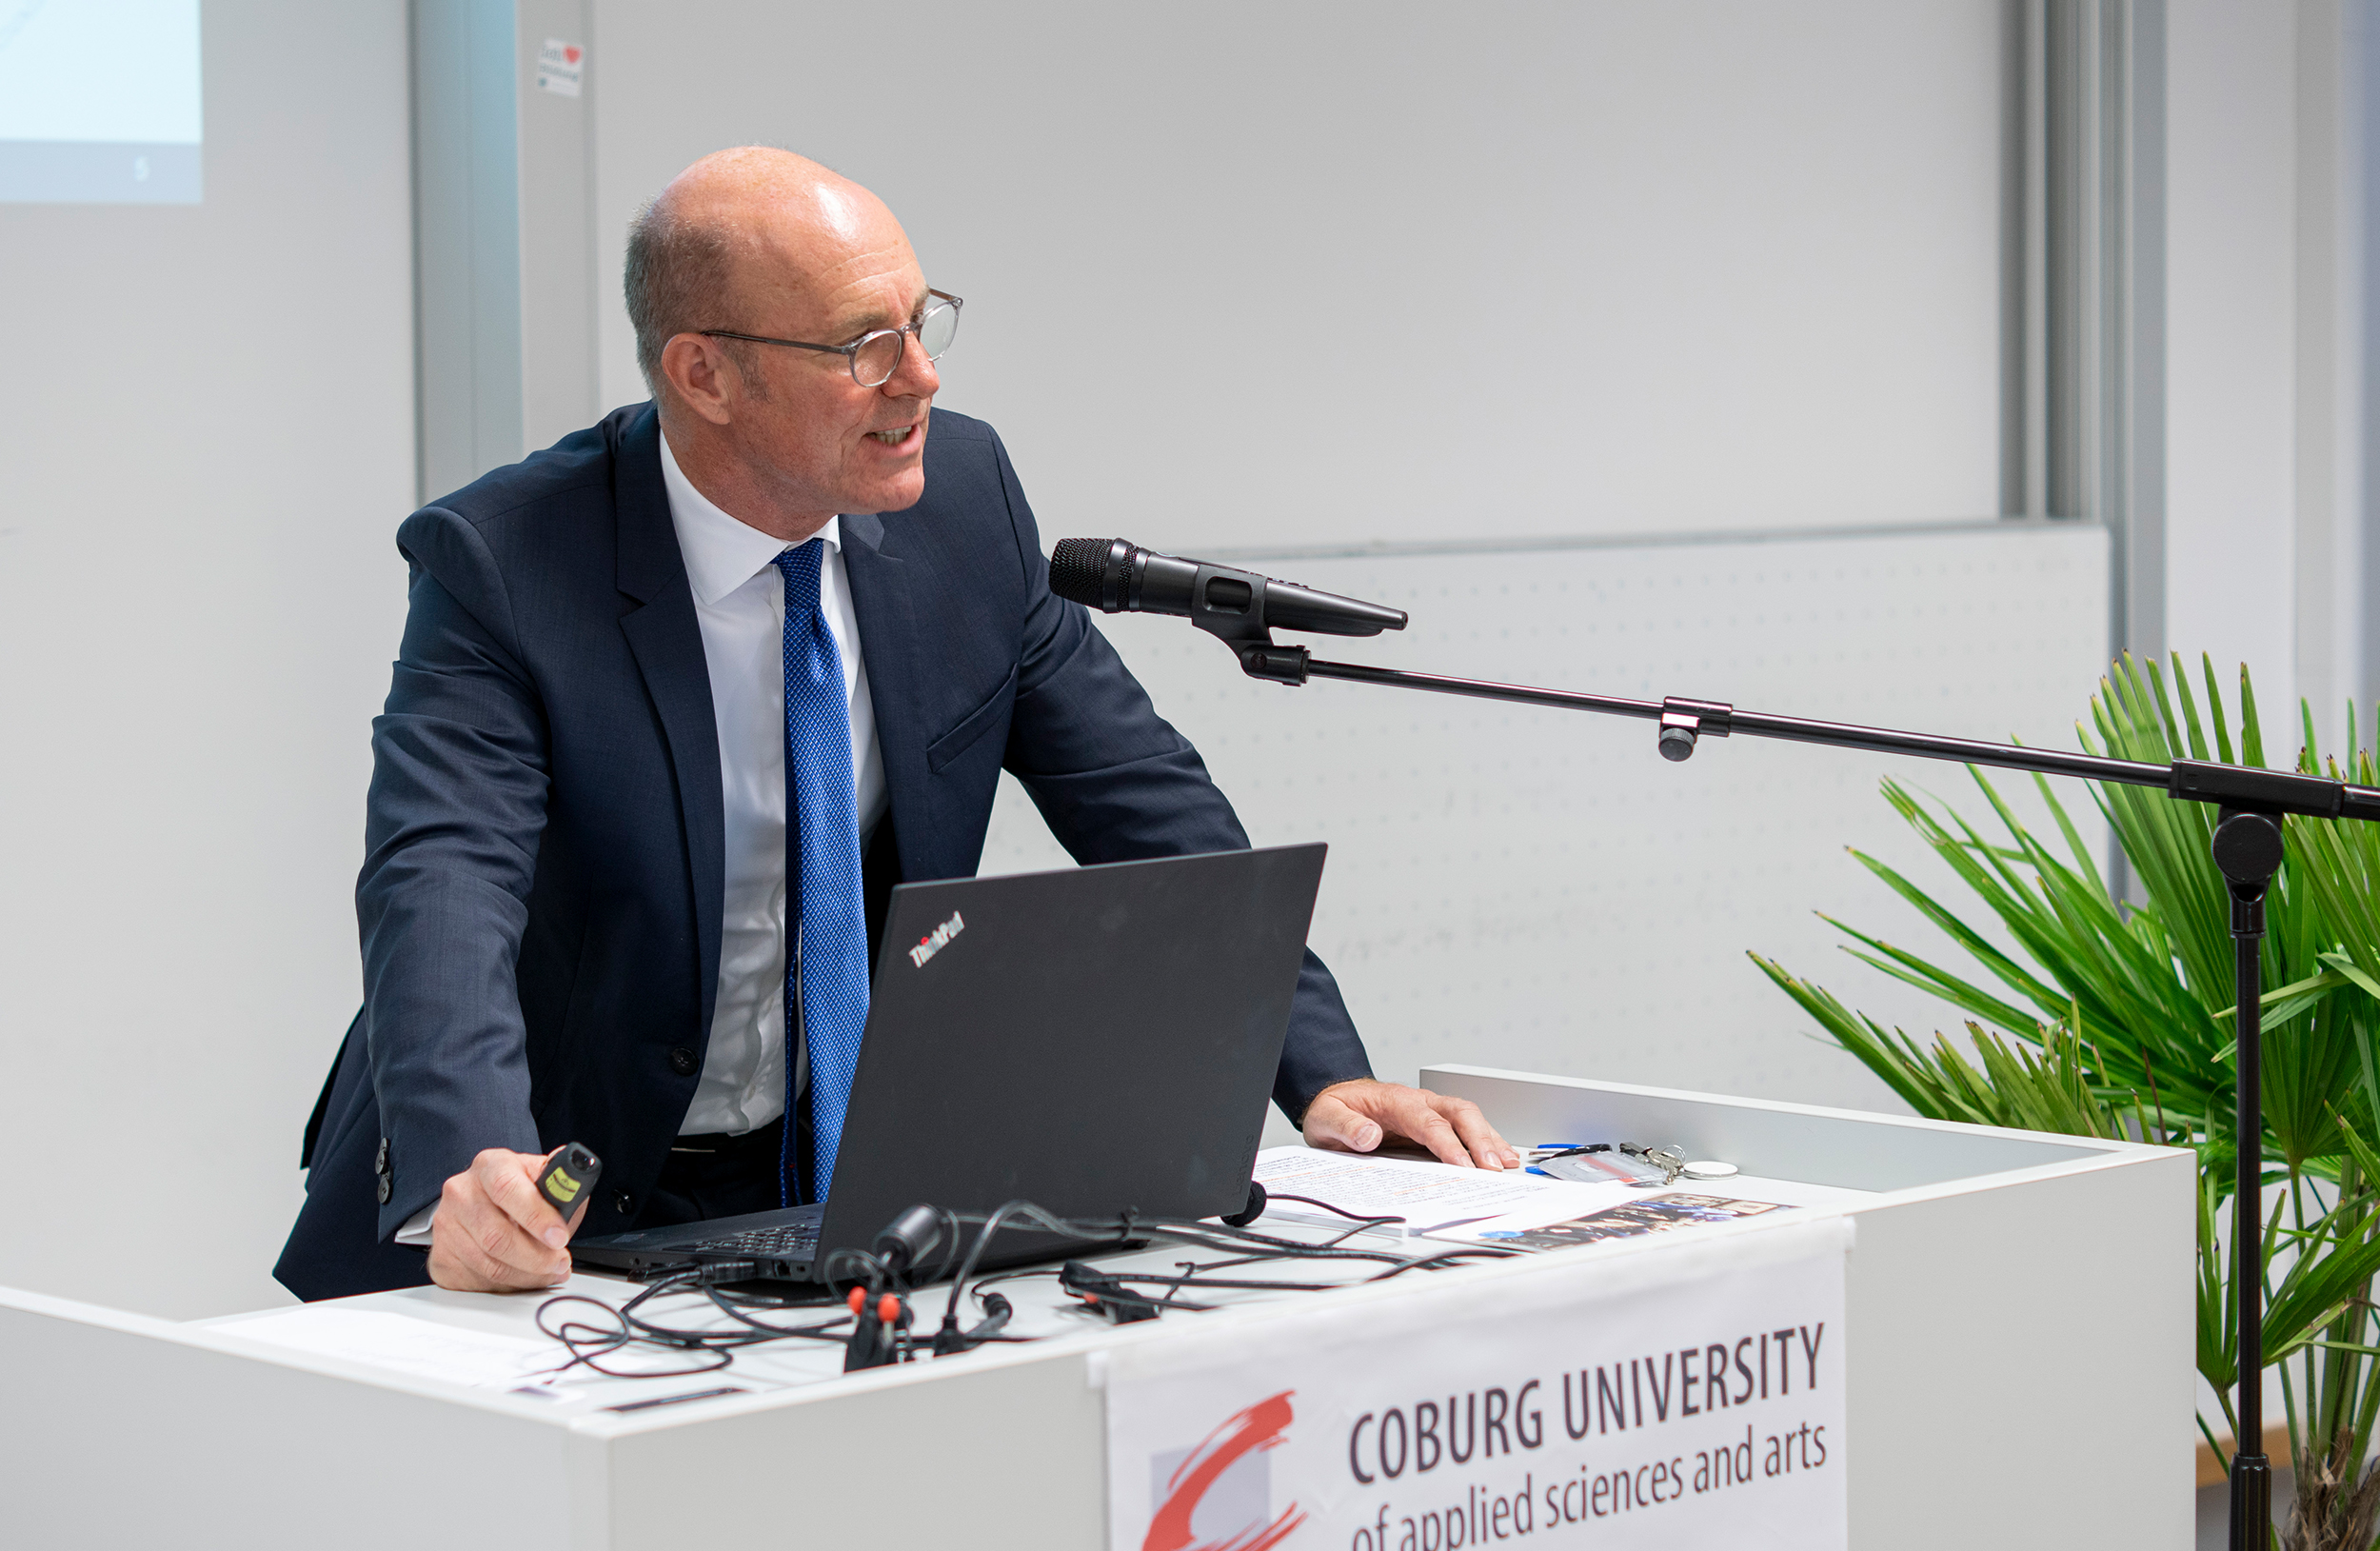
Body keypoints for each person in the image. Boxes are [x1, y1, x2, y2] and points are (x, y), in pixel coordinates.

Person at [273, 148, 1515, 1302]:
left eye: (921, 325)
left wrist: (1319, 1070)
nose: (921, 378)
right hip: (539, 1197)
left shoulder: (964, 509)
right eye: (865, 346)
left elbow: (1151, 810)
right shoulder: (508, 562)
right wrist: (472, 1157)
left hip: (815, 1192)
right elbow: (441, 880)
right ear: (703, 371)